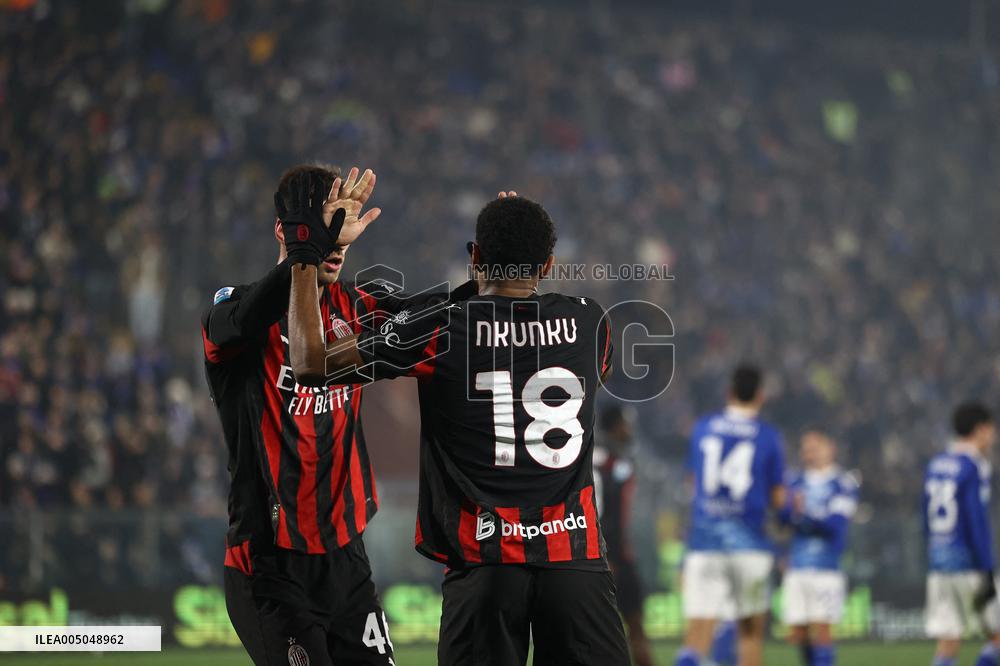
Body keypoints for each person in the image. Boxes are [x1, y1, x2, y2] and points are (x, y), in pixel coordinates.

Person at [312, 192, 631, 665]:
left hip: (485, 565)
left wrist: (306, 257)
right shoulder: (590, 320)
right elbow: (593, 373)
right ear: (547, 266)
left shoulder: (443, 328)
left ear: (476, 258)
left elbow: (311, 363)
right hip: (575, 565)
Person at [201, 165, 399, 665]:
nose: (337, 241)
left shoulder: (355, 305)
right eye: (321, 225)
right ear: (283, 230)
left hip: (346, 561)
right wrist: (305, 254)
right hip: (269, 566)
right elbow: (238, 323)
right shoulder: (236, 312)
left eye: (342, 225)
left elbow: (428, 316)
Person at [675, 364, 786, 666]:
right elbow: (778, 498)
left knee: (698, 632)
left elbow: (693, 483)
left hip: (705, 542)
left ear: (729, 392)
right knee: (749, 635)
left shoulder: (703, 428)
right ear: (761, 396)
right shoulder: (768, 436)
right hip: (749, 545)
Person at [923, 402, 1000, 666]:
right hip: (968, 560)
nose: (994, 436)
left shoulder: (936, 464)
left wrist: (933, 553)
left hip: (939, 561)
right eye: (992, 430)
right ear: (980, 430)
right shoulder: (974, 465)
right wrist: (987, 568)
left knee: (948, 642)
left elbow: (925, 516)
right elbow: (975, 519)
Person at [780, 430, 860, 666]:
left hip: (827, 567)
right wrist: (792, 513)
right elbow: (782, 519)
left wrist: (802, 513)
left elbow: (835, 524)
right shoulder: (794, 481)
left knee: (823, 630)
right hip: (798, 565)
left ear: (830, 447)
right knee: (799, 632)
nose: (810, 452)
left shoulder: (843, 483)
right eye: (806, 447)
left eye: (815, 446)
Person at [595, 405, 654, 666]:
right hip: (609, 555)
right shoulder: (610, 462)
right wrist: (606, 554)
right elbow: (604, 513)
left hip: (606, 553)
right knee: (628, 628)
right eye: (626, 423)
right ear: (615, 426)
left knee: (629, 626)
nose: (629, 429)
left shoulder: (600, 457)